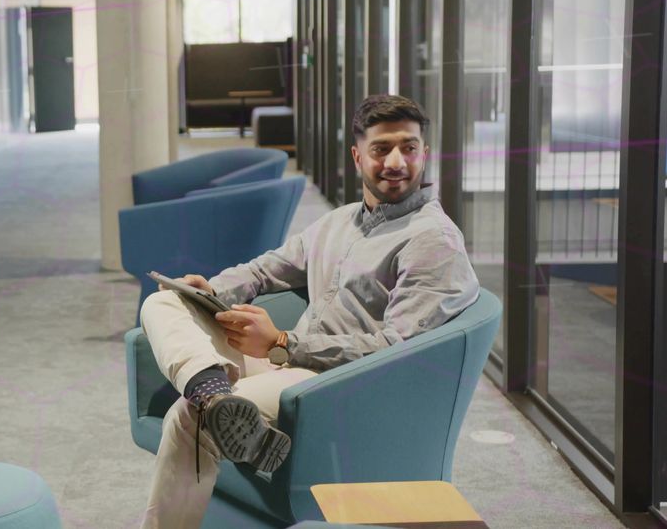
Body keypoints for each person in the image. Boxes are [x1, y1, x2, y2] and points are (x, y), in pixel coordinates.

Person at [138, 94, 480, 528]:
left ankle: (211, 403)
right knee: (164, 299)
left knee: (190, 416)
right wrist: (213, 288)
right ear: (358, 156)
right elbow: (265, 270)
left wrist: (282, 343)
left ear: (424, 153)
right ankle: (213, 390)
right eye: (381, 149)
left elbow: (396, 349)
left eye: (409, 148)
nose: (397, 161)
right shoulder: (337, 222)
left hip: (332, 384)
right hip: (282, 363)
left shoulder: (433, 241)